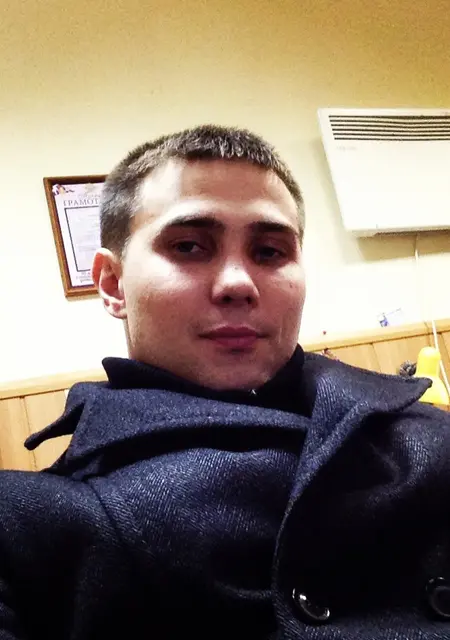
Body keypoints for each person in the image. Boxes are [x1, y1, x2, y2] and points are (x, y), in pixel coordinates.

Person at [1, 125, 450, 640]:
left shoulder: (413, 424)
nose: (238, 283)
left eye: (270, 252)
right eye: (189, 246)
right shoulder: (39, 522)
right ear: (112, 284)